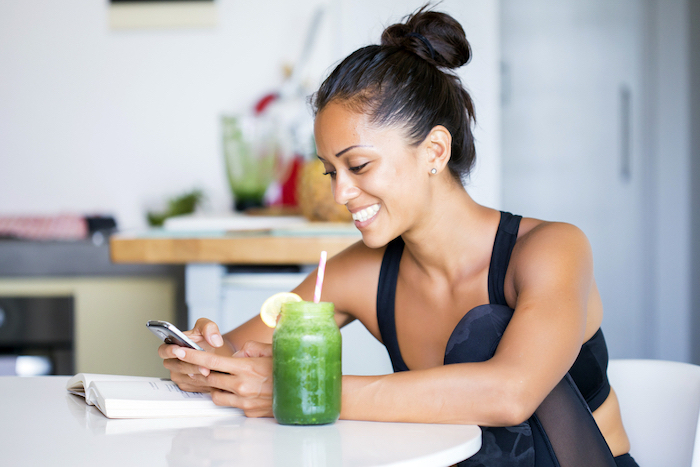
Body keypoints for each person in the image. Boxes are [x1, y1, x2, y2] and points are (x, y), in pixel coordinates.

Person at [159, 6, 639, 466]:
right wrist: (201, 359)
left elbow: (509, 393)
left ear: (434, 149)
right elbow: (236, 356)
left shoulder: (551, 250)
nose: (341, 192)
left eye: (359, 165)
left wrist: (300, 390)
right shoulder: (357, 274)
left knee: (485, 330)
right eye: (330, 172)